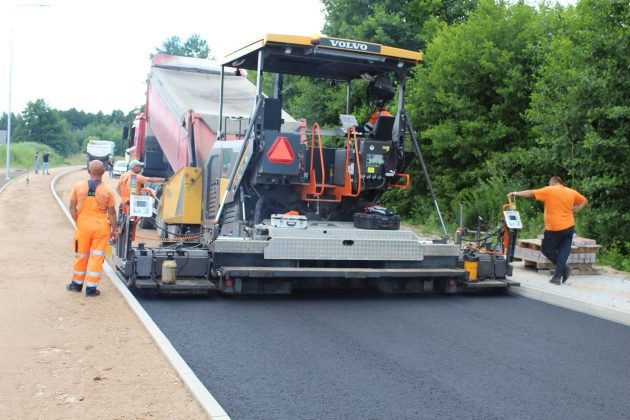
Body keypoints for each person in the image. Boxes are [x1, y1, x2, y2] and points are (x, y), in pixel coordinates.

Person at [509, 176, 588, 285]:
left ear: (552, 182)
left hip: (554, 228)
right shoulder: (571, 192)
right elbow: (584, 201)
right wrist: (574, 210)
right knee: (563, 252)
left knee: (546, 249)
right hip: (569, 227)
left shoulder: (550, 190)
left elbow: (531, 193)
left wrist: (516, 193)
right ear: (561, 183)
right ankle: (557, 277)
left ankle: (563, 270)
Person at [67, 160, 118, 296]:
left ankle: (76, 285)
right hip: (101, 228)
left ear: (89, 172)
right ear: (103, 172)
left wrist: (78, 222)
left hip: (83, 227)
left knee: (81, 255)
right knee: (97, 257)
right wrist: (115, 230)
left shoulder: (78, 186)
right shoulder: (108, 190)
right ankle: (91, 289)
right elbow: (112, 212)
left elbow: (71, 207)